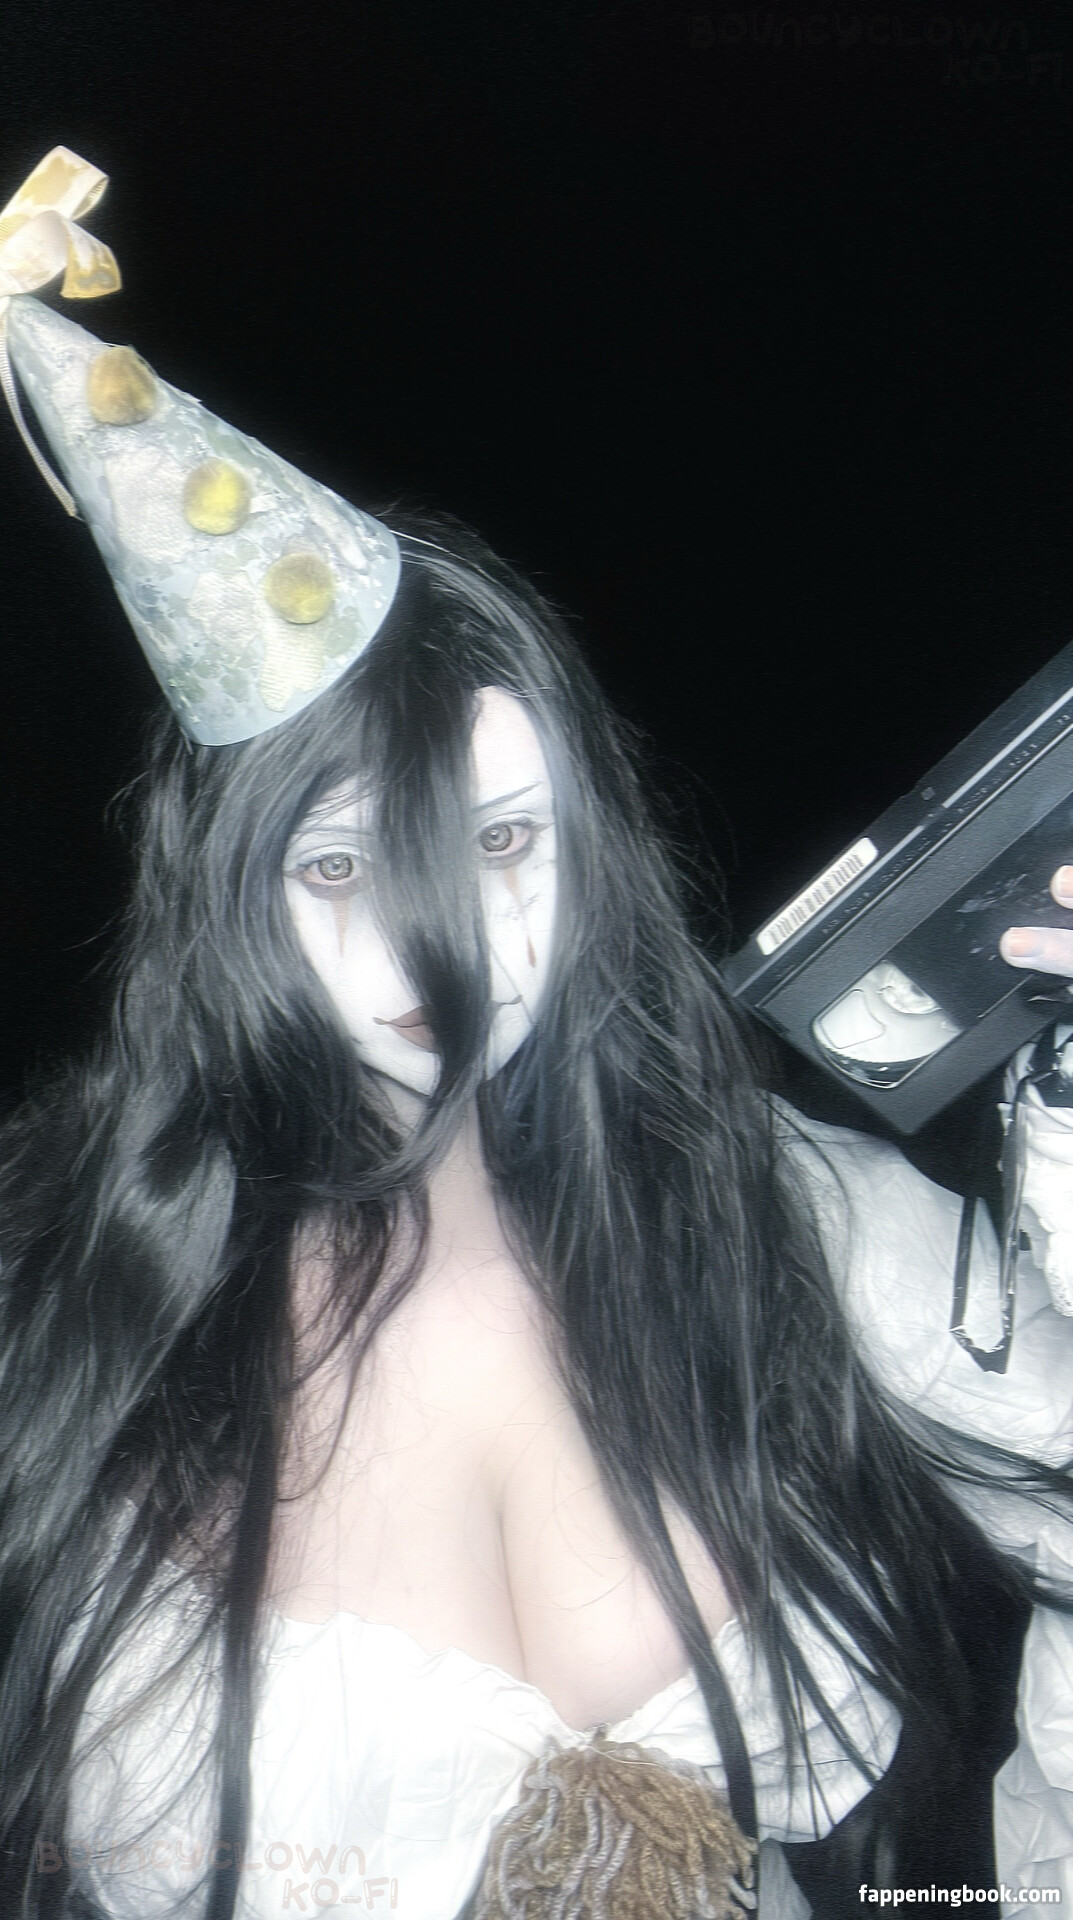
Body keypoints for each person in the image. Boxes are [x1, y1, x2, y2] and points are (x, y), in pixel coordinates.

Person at [0, 149, 1072, 1920]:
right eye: (338, 862)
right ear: (226, 895)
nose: (449, 950)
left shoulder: (790, 1215)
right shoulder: (62, 1284)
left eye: (505, 841)